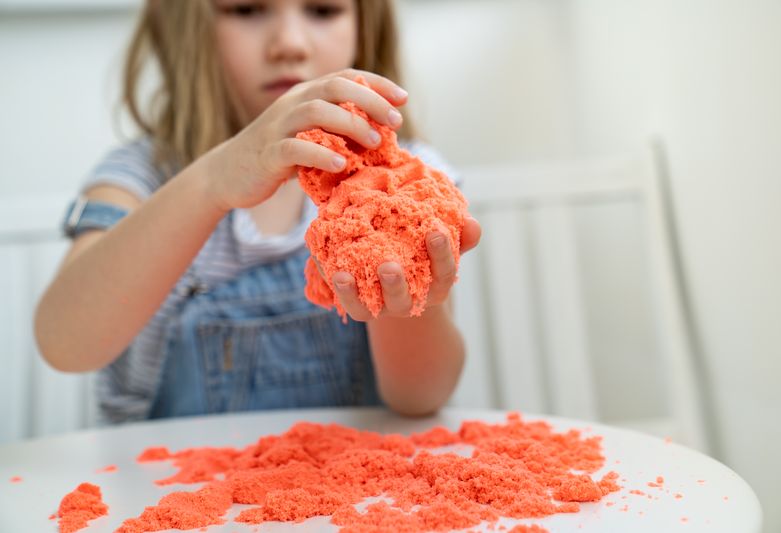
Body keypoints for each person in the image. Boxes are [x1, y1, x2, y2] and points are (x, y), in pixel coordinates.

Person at [34, 0, 481, 424]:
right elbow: (64, 344)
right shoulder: (143, 177)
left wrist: (395, 297)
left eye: (323, 9)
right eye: (247, 8)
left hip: (352, 493)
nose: (289, 42)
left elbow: (420, 398)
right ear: (188, 25)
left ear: (367, 23)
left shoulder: (410, 180)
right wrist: (211, 183)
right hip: (172, 488)